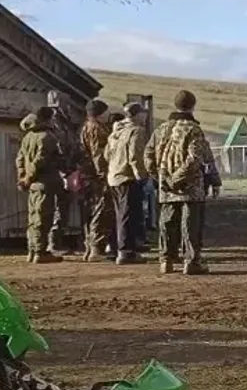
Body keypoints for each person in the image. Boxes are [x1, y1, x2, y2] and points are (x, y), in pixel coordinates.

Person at [145, 90, 219, 275]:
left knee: (167, 222)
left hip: (167, 186)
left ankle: (166, 261)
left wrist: (161, 177)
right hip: (190, 186)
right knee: (191, 224)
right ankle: (192, 261)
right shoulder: (193, 129)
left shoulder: (160, 129)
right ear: (193, 106)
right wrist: (181, 178)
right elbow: (197, 158)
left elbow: (148, 156)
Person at [15, 107, 64, 263]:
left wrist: (23, 177)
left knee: (32, 218)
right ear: (47, 119)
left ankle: (32, 250)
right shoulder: (47, 137)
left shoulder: (28, 137)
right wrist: (29, 178)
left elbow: (20, 159)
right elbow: (40, 161)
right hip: (44, 182)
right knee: (43, 218)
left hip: (32, 184)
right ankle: (40, 252)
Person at [106, 103, 150, 265]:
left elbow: (107, 154)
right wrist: (141, 176)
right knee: (129, 215)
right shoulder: (137, 131)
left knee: (120, 214)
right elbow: (135, 156)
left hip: (114, 176)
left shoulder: (116, 132)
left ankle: (116, 247)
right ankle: (126, 252)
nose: (145, 116)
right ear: (137, 115)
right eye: (143, 113)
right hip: (128, 177)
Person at [79, 99, 114, 261]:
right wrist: (104, 175)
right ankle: (96, 248)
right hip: (97, 176)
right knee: (101, 211)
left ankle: (89, 247)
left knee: (90, 211)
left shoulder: (85, 127)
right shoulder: (97, 129)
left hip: (87, 175)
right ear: (100, 114)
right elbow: (98, 154)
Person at [48, 104, 81, 255]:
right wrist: (65, 171)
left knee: (63, 209)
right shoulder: (54, 132)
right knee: (58, 210)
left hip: (67, 172)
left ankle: (56, 242)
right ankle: (53, 243)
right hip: (59, 175)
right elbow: (58, 154)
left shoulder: (66, 129)